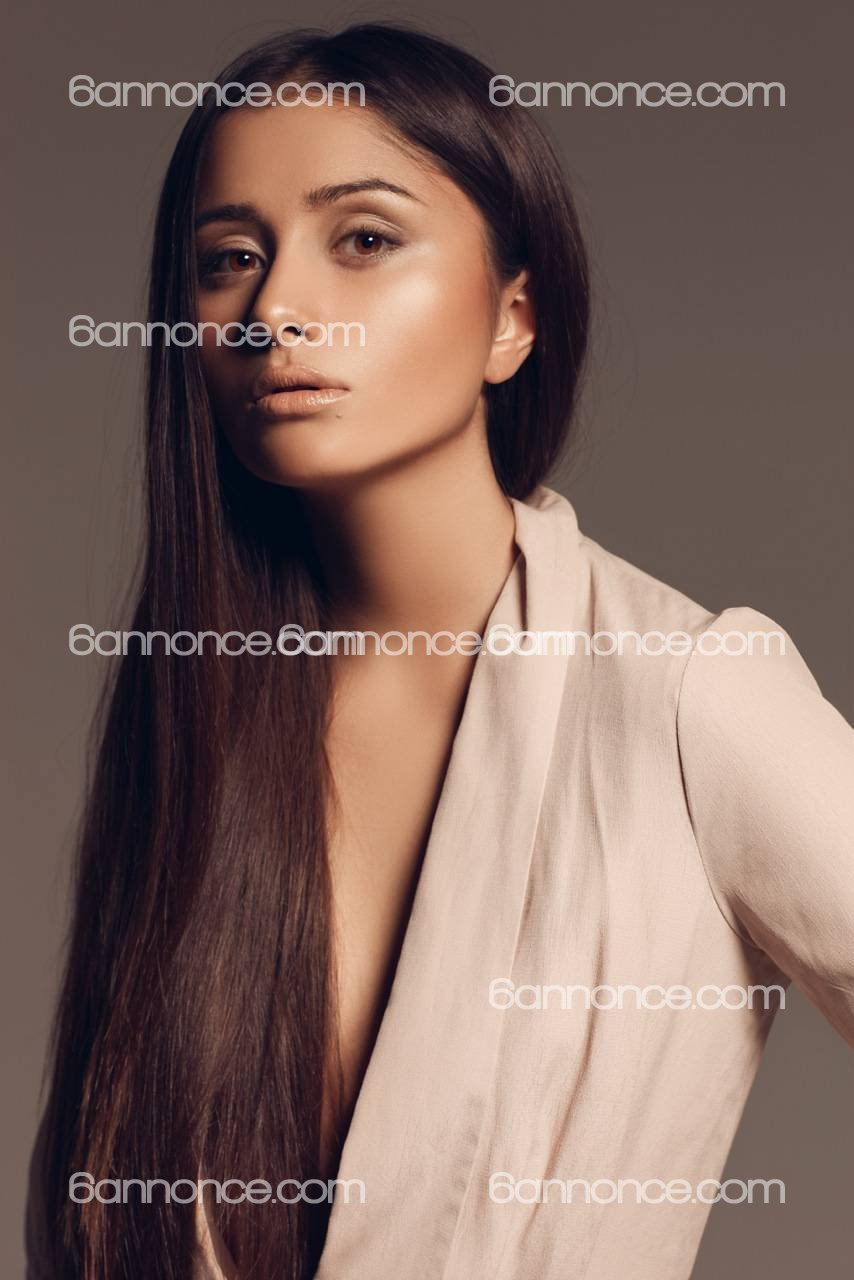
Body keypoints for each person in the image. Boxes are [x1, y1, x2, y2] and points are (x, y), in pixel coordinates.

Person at [26, 22, 854, 1280]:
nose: (275, 309)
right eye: (229, 258)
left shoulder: (691, 695)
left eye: (362, 239)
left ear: (510, 319)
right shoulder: (190, 714)